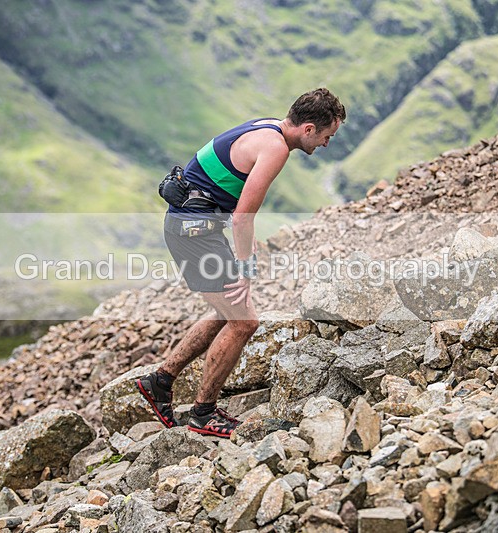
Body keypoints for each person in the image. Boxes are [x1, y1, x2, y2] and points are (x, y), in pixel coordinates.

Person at [136, 88, 346, 438]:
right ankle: (203, 414)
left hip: (190, 225)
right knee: (244, 322)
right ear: (308, 128)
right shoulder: (276, 148)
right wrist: (246, 270)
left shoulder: (267, 126)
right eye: (327, 136)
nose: (326, 144)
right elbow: (243, 218)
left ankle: (160, 381)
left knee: (226, 312)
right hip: (194, 232)